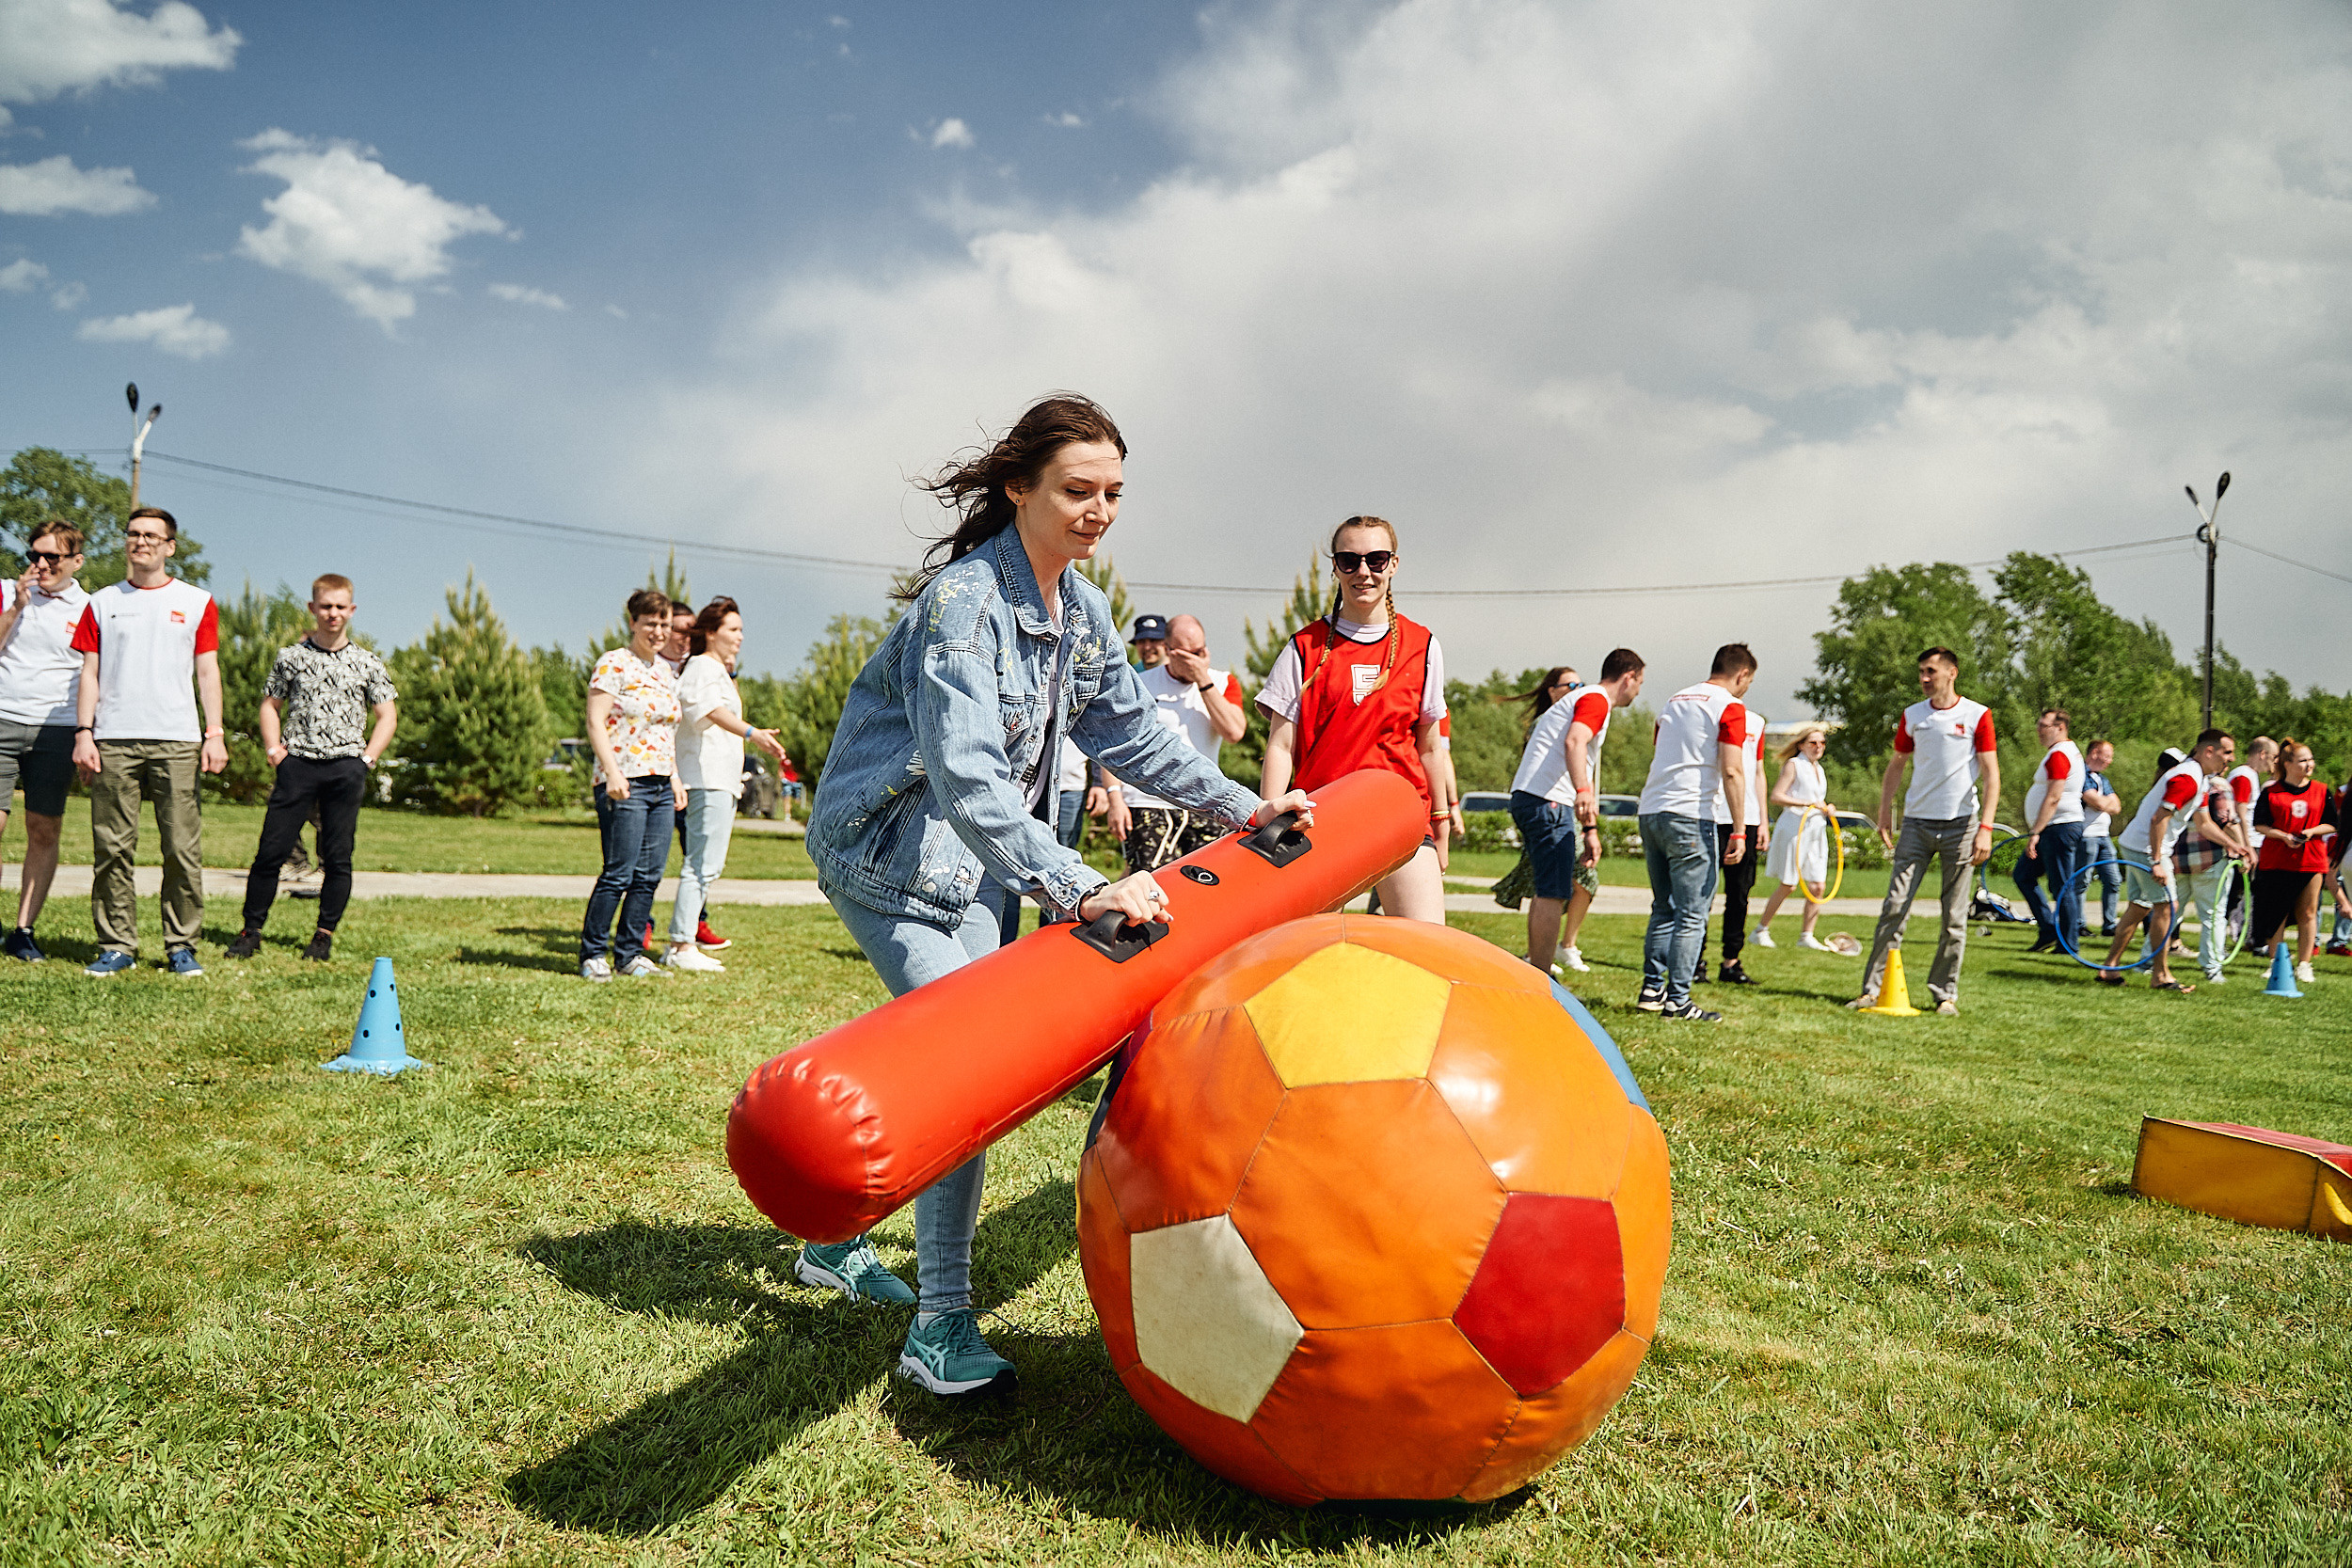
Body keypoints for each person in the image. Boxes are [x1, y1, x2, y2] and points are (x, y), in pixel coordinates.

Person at [803, 394, 1312, 1398]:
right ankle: (939, 1323)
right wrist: (1082, 884)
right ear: (1018, 487)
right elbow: (967, 779)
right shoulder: (962, 606)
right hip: (889, 857)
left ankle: (836, 1240)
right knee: (969, 1070)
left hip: (979, 863)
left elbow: (1128, 731)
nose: (1099, 511)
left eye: (1114, 493)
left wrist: (1241, 806)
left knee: (941, 1059)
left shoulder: (1079, 609)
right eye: (1079, 490)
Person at [1259, 516, 1454, 922]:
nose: (1363, 571)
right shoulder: (1303, 647)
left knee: (1423, 943)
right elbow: (1280, 745)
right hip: (1319, 818)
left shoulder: (1423, 645)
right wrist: (1266, 818)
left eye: (1376, 559)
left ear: (1393, 565)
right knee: (1308, 948)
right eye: (1349, 560)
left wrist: (1440, 818)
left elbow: (1431, 747)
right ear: (1335, 567)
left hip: (1400, 817)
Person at [69, 507, 226, 977]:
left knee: (181, 849)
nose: (141, 542)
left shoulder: (197, 601)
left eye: (152, 536)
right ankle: (117, 944)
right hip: (113, 739)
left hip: (177, 739)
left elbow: (207, 671)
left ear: (169, 547)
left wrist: (214, 733)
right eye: (134, 534)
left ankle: (181, 945)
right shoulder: (101, 602)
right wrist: (84, 732)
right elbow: (90, 673)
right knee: (112, 848)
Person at [223, 574, 398, 962]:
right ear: (312, 608)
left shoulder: (367, 662)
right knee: (271, 851)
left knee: (337, 857)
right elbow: (270, 705)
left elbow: (387, 715)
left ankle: (323, 936)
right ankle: (251, 931)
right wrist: (275, 750)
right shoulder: (291, 657)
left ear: (351, 610)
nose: (332, 613)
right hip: (297, 765)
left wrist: (366, 760)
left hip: (345, 768)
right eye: (326, 606)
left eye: (340, 607)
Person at [1847, 647, 2000, 1017]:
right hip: (1916, 824)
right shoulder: (1913, 715)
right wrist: (1885, 812)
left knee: (1954, 916)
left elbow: (1992, 775)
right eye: (1921, 672)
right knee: (1894, 906)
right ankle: (1871, 991)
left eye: (1931, 671)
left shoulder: (1977, 715)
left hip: (1962, 825)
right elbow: (1896, 765)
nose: (1924, 678)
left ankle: (1945, 995)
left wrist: (1986, 828)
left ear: (1952, 673)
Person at [665, 597, 789, 973]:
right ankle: (681, 945)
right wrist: (753, 733)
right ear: (711, 633)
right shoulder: (701, 666)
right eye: (732, 630)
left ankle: (682, 940)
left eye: (740, 630)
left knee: (708, 863)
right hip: (706, 778)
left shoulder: (717, 669)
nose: (740, 637)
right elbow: (705, 710)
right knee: (701, 864)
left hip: (720, 779)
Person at [1633, 643, 1756, 1022]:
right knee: (1692, 914)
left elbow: (1661, 749)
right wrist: (1739, 829)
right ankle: (1678, 1000)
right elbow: (1732, 769)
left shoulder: (1674, 700)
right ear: (1742, 675)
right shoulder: (1729, 706)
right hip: (1690, 815)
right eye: (1748, 682)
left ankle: (1652, 989)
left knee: (1663, 907)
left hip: (1652, 809)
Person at [1508, 649, 1643, 976]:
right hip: (1547, 800)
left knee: (1547, 890)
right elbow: (1575, 742)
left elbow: (1582, 759)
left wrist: (1590, 829)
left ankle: (1536, 969)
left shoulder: (1584, 698)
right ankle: (1541, 976)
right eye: (1640, 682)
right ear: (1628, 677)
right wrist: (1583, 791)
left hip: (1534, 798)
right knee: (1553, 893)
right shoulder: (1596, 699)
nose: (1638, 691)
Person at [579, 589, 682, 981]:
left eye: (665, 624)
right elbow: (595, 721)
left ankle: (630, 954)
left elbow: (666, 732)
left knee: (649, 875)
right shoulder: (613, 664)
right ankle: (593, 954)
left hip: (661, 784)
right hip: (625, 782)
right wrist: (612, 773)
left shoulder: (665, 671)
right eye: (651, 623)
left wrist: (675, 778)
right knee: (619, 872)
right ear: (633, 623)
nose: (659, 631)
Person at [0, 521, 90, 961]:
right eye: (34, 555)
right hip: (2, 717)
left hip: (57, 728)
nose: (40, 564)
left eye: (51, 557)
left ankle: (22, 931)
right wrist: (16, 607)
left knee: (43, 828)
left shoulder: (91, 607)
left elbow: (96, 674)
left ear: (76, 561)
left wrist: (90, 735)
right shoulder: (7, 591)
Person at [1104, 613, 1247, 874]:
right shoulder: (1141, 684)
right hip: (1148, 802)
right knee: (1151, 885)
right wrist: (1115, 798)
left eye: (1199, 652)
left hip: (1205, 802)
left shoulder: (1223, 682)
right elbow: (1115, 743)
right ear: (1169, 650)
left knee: (1207, 883)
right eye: (1186, 654)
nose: (1194, 659)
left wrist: (1203, 681)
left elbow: (1234, 732)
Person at [2101, 729, 2233, 992]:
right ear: (2209, 751)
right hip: (2147, 848)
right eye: (2227, 752)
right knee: (2167, 907)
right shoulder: (2187, 778)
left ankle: (2109, 968)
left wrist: (2233, 845)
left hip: (2136, 843)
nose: (2230, 759)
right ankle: (2160, 975)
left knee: (2140, 907)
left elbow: (2204, 823)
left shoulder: (2199, 777)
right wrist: (2156, 861)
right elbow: (2159, 818)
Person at [2249, 738, 2338, 985]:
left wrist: (2311, 832)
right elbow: (2259, 824)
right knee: (2277, 912)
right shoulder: (2271, 791)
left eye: (2311, 759)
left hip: (2311, 860)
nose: (2310, 764)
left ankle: (2304, 964)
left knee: (2308, 912)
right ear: (2287, 764)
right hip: (2276, 860)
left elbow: (2332, 823)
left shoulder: (2321, 790)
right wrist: (2283, 836)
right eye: (2303, 760)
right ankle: (2276, 962)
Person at [1695, 696, 1769, 985]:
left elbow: (1758, 772)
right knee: (1702, 893)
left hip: (1746, 818)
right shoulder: (1707, 714)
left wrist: (1762, 820)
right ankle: (1694, 960)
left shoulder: (1756, 722)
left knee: (1739, 894)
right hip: (1713, 814)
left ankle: (1731, 962)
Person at [1753, 727, 1839, 951]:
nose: (1818, 747)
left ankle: (1806, 935)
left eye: (1822, 743)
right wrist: (1807, 803)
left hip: (1816, 829)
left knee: (1818, 886)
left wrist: (1827, 807)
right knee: (1789, 884)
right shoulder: (1794, 765)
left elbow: (1817, 799)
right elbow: (1777, 796)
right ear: (1801, 745)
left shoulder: (1818, 769)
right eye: (1813, 743)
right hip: (1794, 828)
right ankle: (1760, 930)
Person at [2171, 757, 2253, 985]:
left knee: (2169, 912)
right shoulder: (2218, 786)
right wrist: (2243, 849)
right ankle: (2213, 967)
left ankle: (2147, 960)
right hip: (2209, 858)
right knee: (2213, 915)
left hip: (2178, 858)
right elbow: (2227, 821)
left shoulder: (2181, 780)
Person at [2012, 709, 2086, 956]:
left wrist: (2036, 831)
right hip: (2052, 828)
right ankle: (2048, 930)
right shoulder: (2062, 752)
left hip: (2058, 827)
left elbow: (2054, 797)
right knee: (2023, 875)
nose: (2039, 731)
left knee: (2062, 886)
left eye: (2044, 726)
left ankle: (2068, 944)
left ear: (2060, 727)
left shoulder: (2059, 754)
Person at [2075, 739, 2123, 938]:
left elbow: (2116, 806)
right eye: (2107, 756)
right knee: (2082, 881)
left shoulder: (2101, 778)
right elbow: (2096, 802)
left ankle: (2109, 925)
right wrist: (2103, 803)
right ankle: (2078, 924)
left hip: (2104, 836)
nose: (2109, 761)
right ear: (2095, 753)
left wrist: (2103, 803)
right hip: (2086, 835)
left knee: (2114, 880)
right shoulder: (2081, 774)